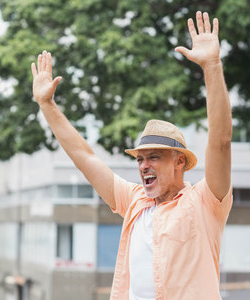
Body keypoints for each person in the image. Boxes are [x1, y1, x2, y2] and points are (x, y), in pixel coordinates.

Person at [31, 11, 232, 300]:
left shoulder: (205, 202)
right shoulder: (135, 201)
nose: (144, 165)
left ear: (179, 161)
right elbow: (84, 157)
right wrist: (47, 105)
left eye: (154, 157)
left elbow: (221, 142)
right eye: (140, 159)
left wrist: (212, 65)